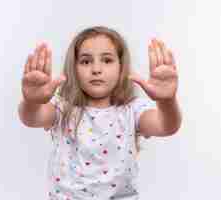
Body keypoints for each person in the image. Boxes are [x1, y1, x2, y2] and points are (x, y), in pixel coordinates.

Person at [18, 26, 182, 200]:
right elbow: (31, 117)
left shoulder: (132, 111)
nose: (96, 69)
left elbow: (167, 126)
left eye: (107, 60)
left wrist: (167, 100)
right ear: (74, 68)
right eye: (86, 61)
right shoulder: (62, 109)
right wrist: (32, 101)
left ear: (121, 67)